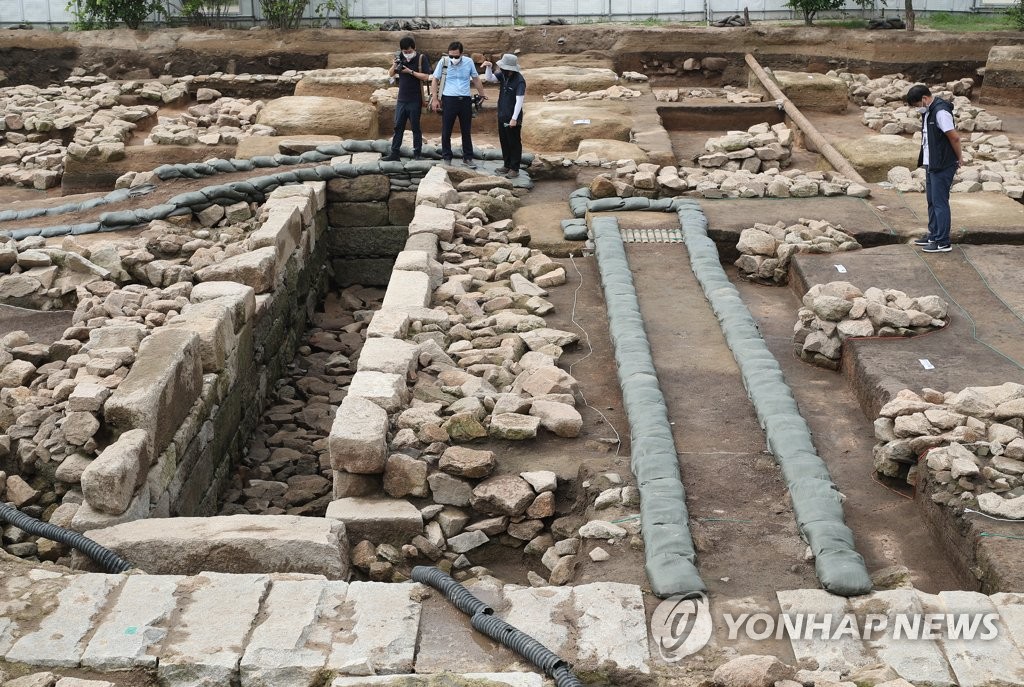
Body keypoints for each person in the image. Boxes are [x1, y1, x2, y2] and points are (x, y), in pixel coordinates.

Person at [906, 84, 963, 254]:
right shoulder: (929, 110)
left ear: (924, 99)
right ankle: (934, 234)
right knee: (931, 200)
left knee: (940, 203)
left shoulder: (940, 112)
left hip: (943, 164)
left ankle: (943, 241)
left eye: (917, 105)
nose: (918, 109)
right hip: (931, 163)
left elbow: (954, 137)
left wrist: (959, 158)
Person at [429, 41, 487, 168]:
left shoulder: (468, 62)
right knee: (446, 130)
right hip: (449, 99)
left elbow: (476, 79)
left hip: (465, 100)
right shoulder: (443, 62)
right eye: (451, 56)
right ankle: (446, 157)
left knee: (466, 130)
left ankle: (468, 157)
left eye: (456, 56)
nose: (453, 59)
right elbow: (435, 79)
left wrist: (482, 94)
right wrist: (435, 99)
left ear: (461, 54)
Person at [382, 36, 431, 162]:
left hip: (415, 99)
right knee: (398, 126)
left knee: (415, 127)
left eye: (409, 51)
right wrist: (394, 65)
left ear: (414, 48)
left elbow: (426, 77)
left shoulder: (421, 58)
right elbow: (390, 74)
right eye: (405, 52)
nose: (407, 54)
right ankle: (395, 153)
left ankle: (417, 153)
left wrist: (410, 71)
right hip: (401, 99)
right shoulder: (400, 57)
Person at [482, 53, 526, 179]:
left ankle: (514, 168)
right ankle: (506, 165)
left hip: (512, 118)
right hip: (502, 114)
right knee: (504, 141)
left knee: (514, 142)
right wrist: (489, 67)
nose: (501, 70)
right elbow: (490, 78)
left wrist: (514, 118)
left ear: (510, 69)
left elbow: (519, 101)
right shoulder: (503, 75)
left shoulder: (519, 81)